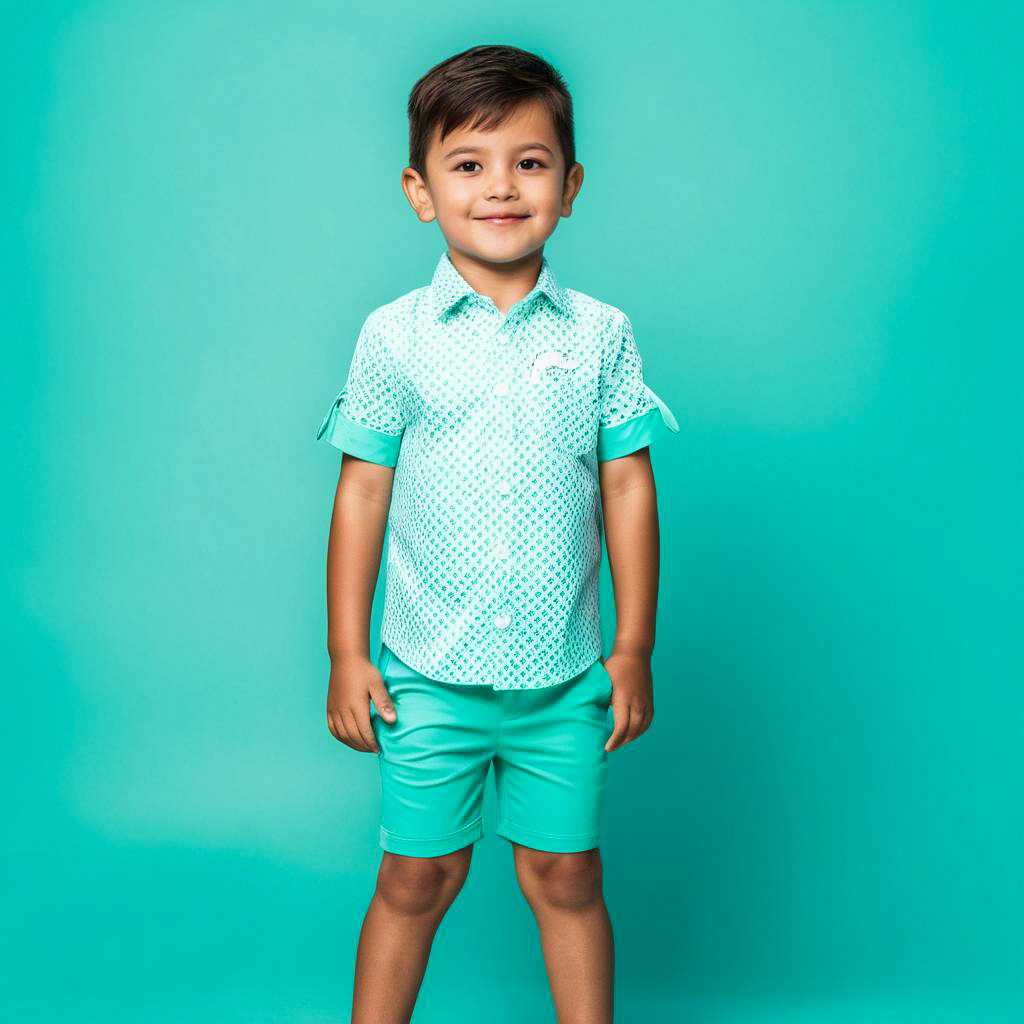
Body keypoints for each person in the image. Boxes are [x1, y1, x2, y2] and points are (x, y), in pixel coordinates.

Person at [316, 43, 679, 1024]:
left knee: (564, 873)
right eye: (468, 164)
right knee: (416, 877)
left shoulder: (600, 332)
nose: (502, 186)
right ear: (420, 190)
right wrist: (349, 651)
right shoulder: (393, 335)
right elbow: (361, 496)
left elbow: (627, 487)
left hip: (563, 678)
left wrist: (632, 647)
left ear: (570, 184)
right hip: (427, 674)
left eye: (529, 161)